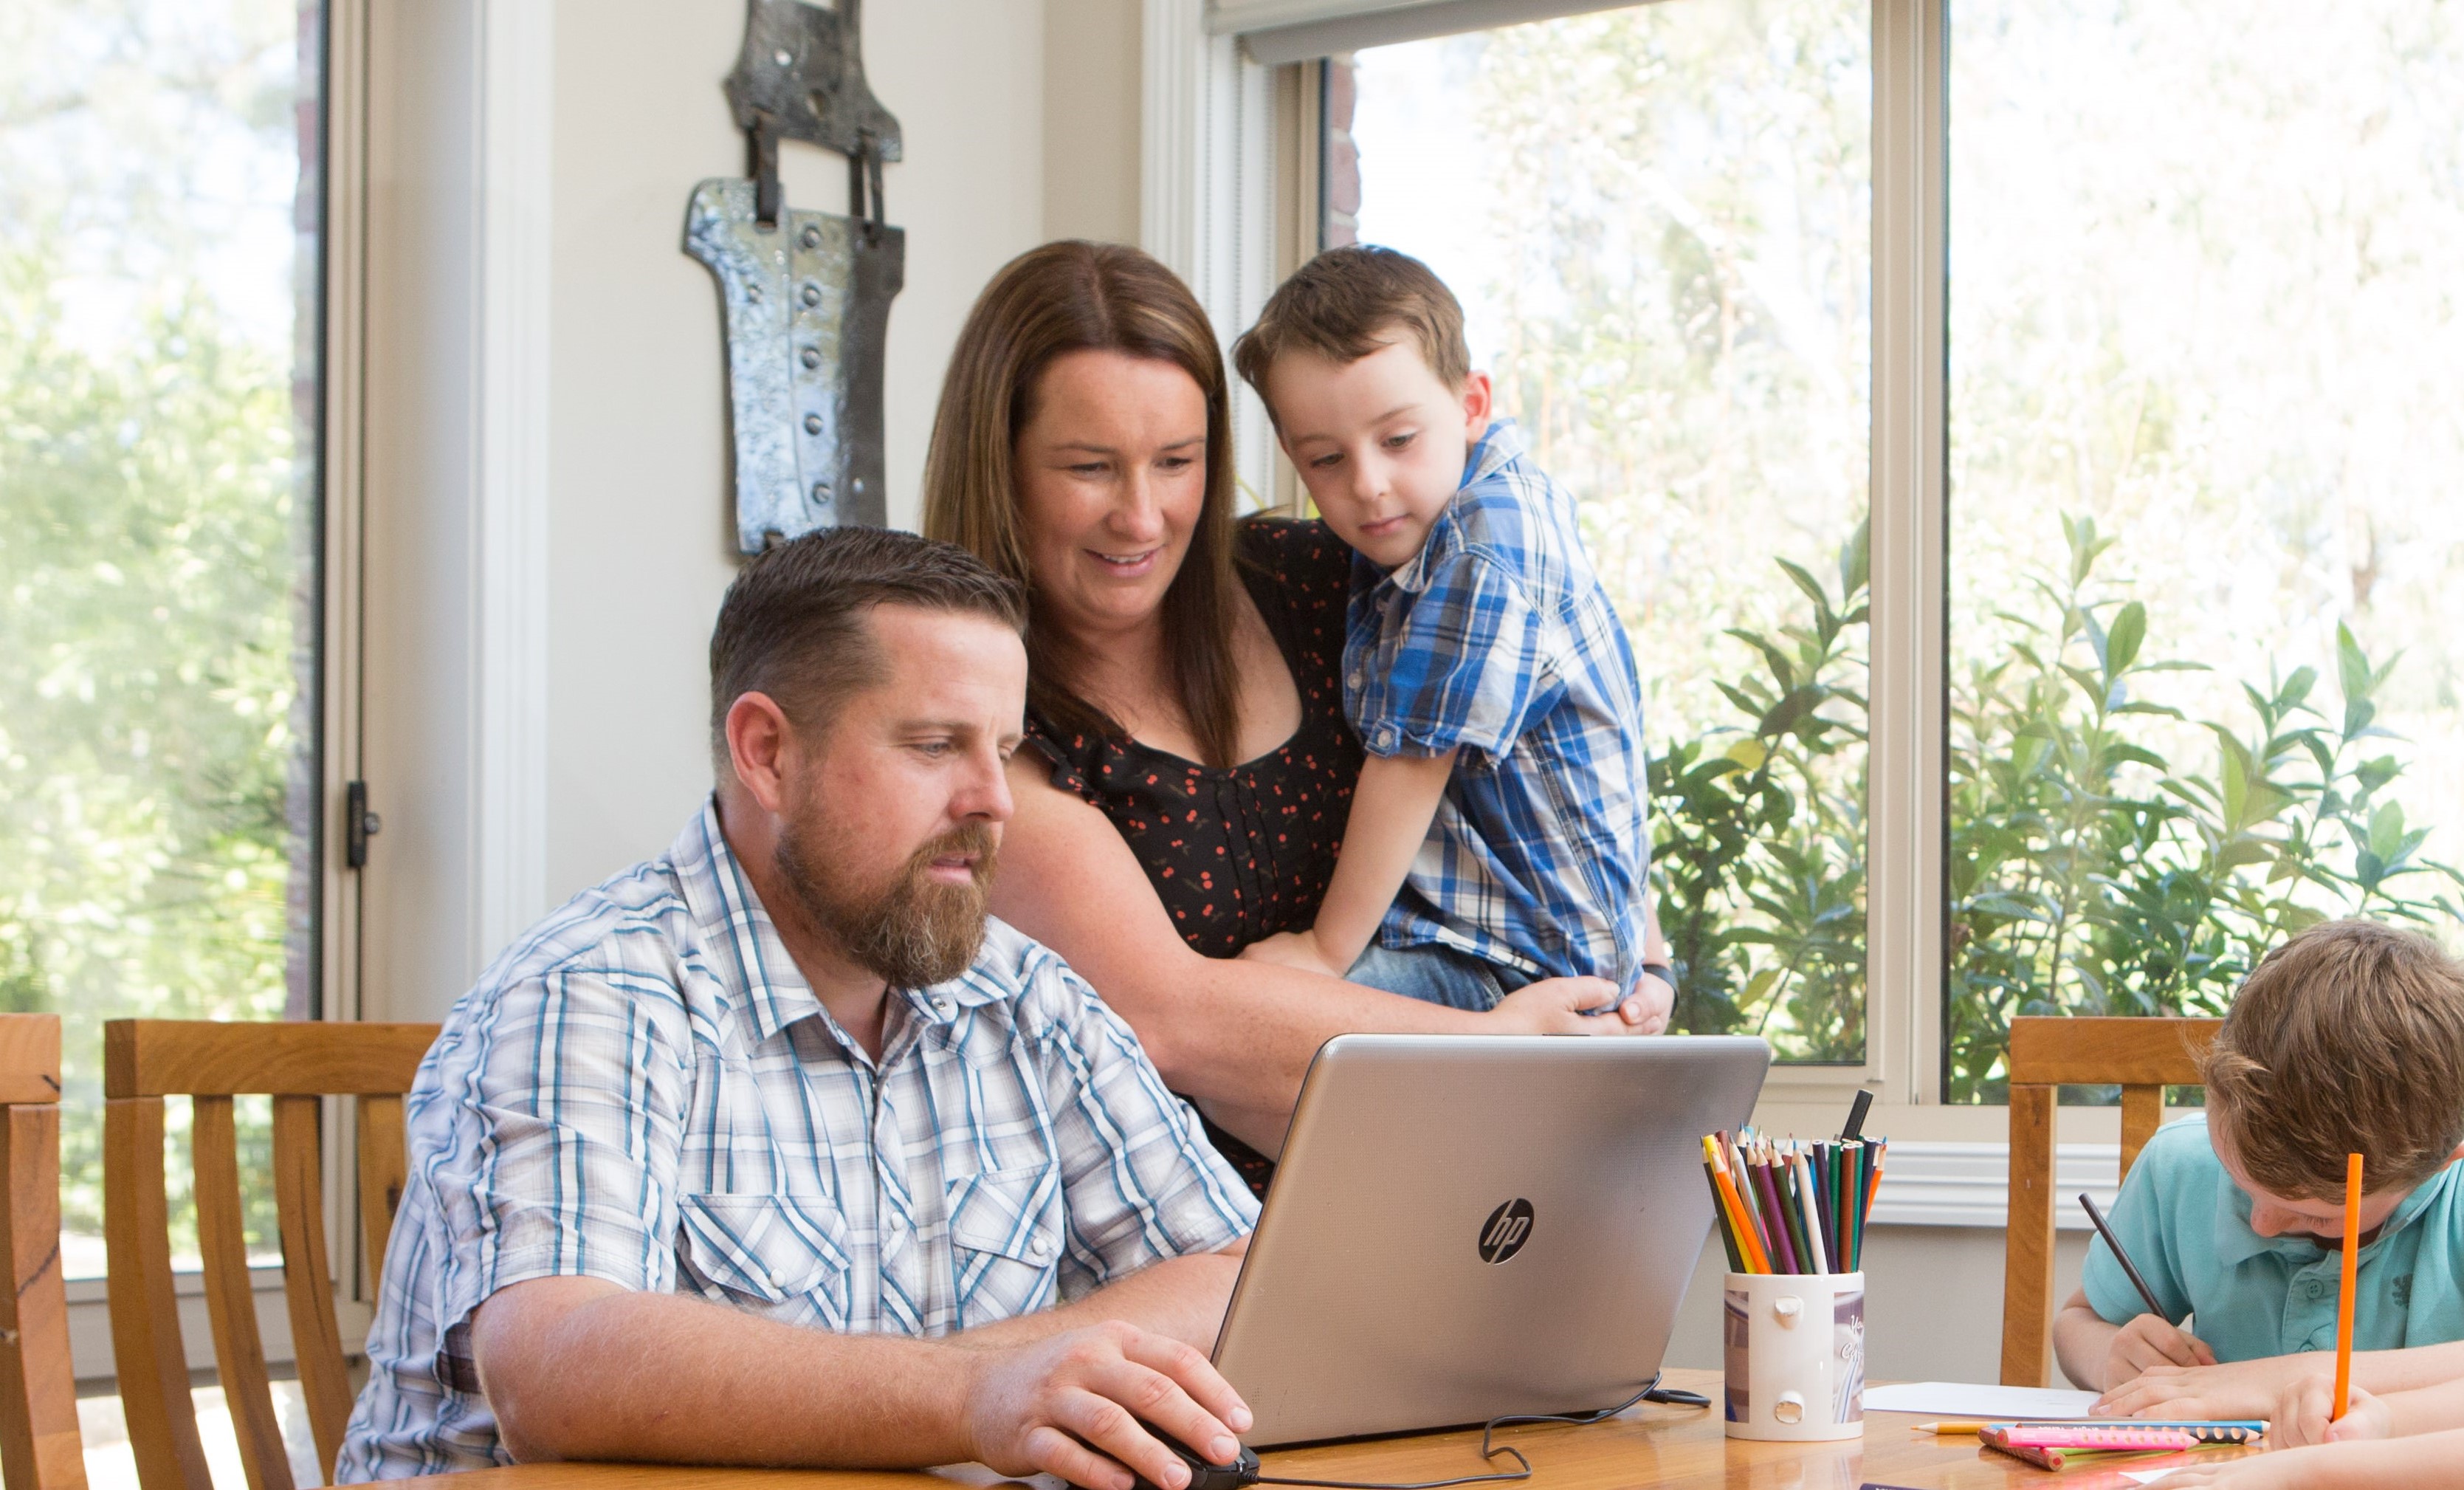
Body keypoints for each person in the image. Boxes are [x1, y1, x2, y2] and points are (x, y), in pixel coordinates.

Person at [337, 528, 1259, 1489]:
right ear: (767, 753)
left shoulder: (1024, 992)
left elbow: (1238, 1275)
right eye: (936, 744)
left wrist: (1015, 1377)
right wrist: (973, 1395)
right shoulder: (589, 985)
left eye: (1005, 749)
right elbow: (551, 1367)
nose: (996, 800)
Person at [920, 241, 1674, 1192]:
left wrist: (1633, 939)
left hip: (1446, 1208)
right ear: (1004, 469)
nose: (1142, 516)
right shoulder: (994, 737)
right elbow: (1174, 1024)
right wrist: (1494, 1049)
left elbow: (1548, 732)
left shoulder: (1326, 580)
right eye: (1088, 468)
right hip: (1176, 1261)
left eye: (1176, 461)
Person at [1225, 245, 1658, 1010]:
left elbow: (1410, 763)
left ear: (1470, 404)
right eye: (1325, 459)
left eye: (1397, 440)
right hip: (1489, 932)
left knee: (1263, 1014)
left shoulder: (1486, 545)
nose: (1367, 484)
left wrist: (1324, 953)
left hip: (1521, 967)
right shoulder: (1419, 534)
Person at [2051, 920, 2464, 1409]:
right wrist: (2108, 1358)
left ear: (2442, 1160)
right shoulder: (2185, 1166)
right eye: (2242, 1185)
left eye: (2317, 1215)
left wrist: (2273, 1382)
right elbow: (2077, 1324)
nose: (2261, 1223)